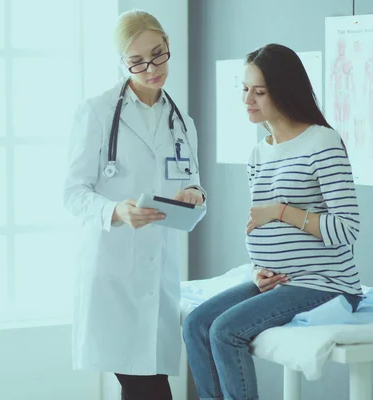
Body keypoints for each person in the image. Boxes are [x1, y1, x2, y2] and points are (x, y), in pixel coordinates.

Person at [182, 43, 363, 400]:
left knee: (225, 331)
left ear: (284, 90)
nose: (247, 98)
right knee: (195, 324)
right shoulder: (259, 151)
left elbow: (347, 228)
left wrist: (280, 210)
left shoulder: (322, 142)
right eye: (245, 88)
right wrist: (257, 271)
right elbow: (260, 228)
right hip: (276, 280)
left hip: (324, 282)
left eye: (259, 91)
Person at [63, 9, 207, 400]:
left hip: (158, 270)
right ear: (122, 63)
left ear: (168, 46)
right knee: (149, 389)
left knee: (145, 385)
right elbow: (73, 192)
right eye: (137, 61)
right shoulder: (96, 112)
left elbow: (191, 182)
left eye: (158, 54)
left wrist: (195, 196)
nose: (151, 68)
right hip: (112, 272)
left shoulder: (183, 122)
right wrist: (116, 211)